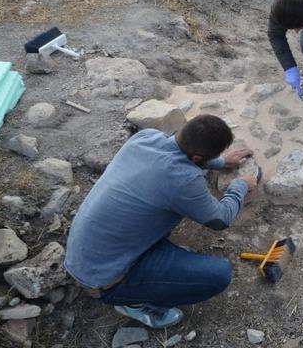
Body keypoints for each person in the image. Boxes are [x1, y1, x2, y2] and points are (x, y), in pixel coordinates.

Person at [64, 115, 257, 329]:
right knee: (219, 275)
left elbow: (182, 157)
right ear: (196, 158)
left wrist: (221, 162)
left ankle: (153, 273)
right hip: (105, 278)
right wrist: (240, 186)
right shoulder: (183, 180)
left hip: (87, 252)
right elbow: (220, 219)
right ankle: (136, 303)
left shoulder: (145, 137)